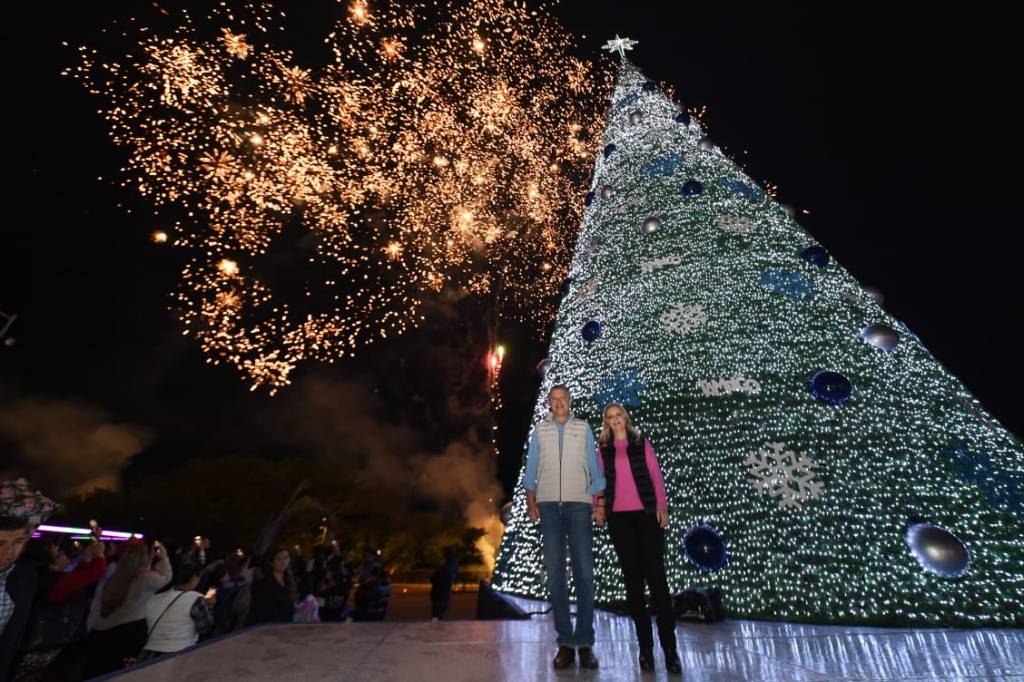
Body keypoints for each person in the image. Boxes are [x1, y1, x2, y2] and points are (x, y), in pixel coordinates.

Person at [522, 384, 606, 670]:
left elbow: (595, 469)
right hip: (548, 507)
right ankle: (565, 643)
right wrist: (531, 502)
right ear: (549, 403)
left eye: (563, 399)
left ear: (570, 401)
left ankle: (585, 642)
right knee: (555, 573)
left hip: (579, 505)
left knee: (584, 573)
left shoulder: (583, 428)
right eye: (553, 399)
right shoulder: (540, 431)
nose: (558, 403)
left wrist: (600, 504)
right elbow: (531, 469)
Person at [595, 403, 681, 674]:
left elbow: (656, 476)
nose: (615, 420)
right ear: (607, 423)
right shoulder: (603, 450)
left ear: (626, 418)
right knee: (633, 582)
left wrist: (662, 506)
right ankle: (645, 648)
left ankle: (670, 649)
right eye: (610, 418)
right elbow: (597, 483)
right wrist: (596, 506)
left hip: (646, 516)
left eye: (618, 415)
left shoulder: (641, 443)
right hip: (619, 520)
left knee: (657, 578)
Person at [84, 539, 171, 677]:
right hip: (128, 634)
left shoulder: (115, 575)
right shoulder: (144, 578)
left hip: (101, 632)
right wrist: (163, 556)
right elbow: (166, 577)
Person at [0, 479, 57, 681]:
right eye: (1, 542)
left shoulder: (24, 577)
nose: (8, 552)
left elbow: (14, 641)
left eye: (18, 541)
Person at [138, 556, 214, 662]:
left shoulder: (154, 598)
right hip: (180, 655)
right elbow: (204, 627)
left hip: (149, 656)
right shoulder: (195, 599)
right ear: (194, 578)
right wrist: (210, 605)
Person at [246, 547, 296, 626]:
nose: (283, 561)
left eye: (286, 558)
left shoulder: (289, 582)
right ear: (272, 562)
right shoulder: (264, 584)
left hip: (283, 626)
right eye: (279, 558)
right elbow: (257, 611)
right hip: (266, 626)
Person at [429, 546, 459, 621]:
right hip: (441, 592)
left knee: (437, 614)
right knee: (438, 614)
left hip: (441, 592)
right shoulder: (449, 564)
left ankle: (436, 627)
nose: (443, 555)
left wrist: (435, 578)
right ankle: (437, 626)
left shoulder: (449, 565)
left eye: (445, 553)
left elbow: (442, 577)